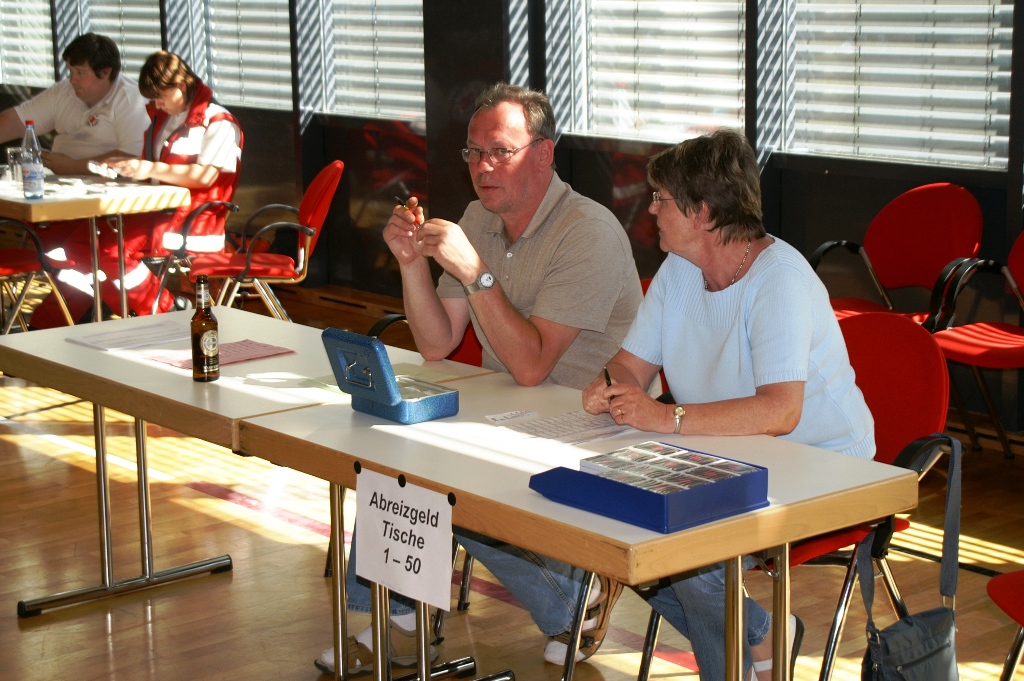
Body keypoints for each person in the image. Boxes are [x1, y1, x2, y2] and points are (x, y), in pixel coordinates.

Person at [315, 83, 643, 676]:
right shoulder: (478, 217)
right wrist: (411, 265)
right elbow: (437, 342)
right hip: (511, 408)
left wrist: (476, 273)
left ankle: (574, 596)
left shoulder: (587, 231)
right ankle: (399, 619)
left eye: (500, 152)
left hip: (594, 421)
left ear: (543, 154)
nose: (483, 167)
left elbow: (532, 366)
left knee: (449, 479)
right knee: (400, 448)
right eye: (473, 153)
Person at [580, 129, 874, 681]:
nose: (652, 208)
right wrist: (609, 385)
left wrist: (665, 417)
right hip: (726, 455)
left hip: (824, 463)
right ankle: (761, 635)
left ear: (703, 213)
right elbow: (631, 364)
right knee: (624, 531)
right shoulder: (680, 269)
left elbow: (780, 412)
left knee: (690, 553)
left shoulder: (779, 279)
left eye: (662, 198)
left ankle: (746, 652)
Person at [30, 50, 243, 327]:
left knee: (110, 252)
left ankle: (166, 312)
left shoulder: (219, 122)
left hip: (191, 220)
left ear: (181, 86)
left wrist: (147, 168)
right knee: (77, 245)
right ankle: (64, 319)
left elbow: (205, 177)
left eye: (161, 96)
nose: (157, 104)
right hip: (154, 210)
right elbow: (153, 171)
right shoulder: (164, 118)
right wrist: (125, 169)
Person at [0, 33, 150, 176]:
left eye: (80, 72)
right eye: (71, 71)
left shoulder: (131, 99)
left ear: (105, 73)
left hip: (105, 186)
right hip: (57, 181)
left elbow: (131, 158)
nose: (72, 80)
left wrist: (73, 166)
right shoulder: (64, 90)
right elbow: (15, 121)